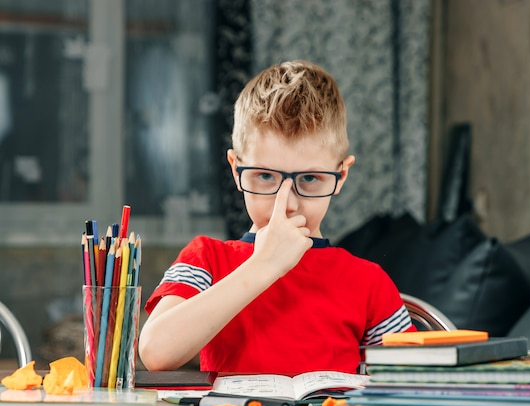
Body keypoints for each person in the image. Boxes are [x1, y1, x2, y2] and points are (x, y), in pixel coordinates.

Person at [138, 60, 415, 375]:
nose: (288, 204)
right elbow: (155, 353)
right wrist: (264, 265)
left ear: (341, 176)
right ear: (235, 168)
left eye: (310, 179)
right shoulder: (207, 259)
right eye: (266, 176)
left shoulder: (370, 283)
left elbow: (408, 386)